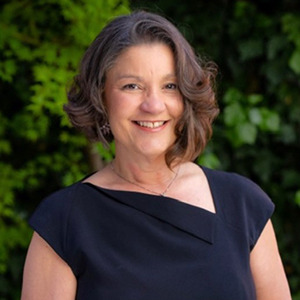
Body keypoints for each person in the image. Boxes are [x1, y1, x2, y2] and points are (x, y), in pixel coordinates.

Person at [21, 10, 291, 300]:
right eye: (132, 86)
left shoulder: (243, 204)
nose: (153, 105)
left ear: (187, 96)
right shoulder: (62, 223)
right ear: (101, 96)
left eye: (169, 86)